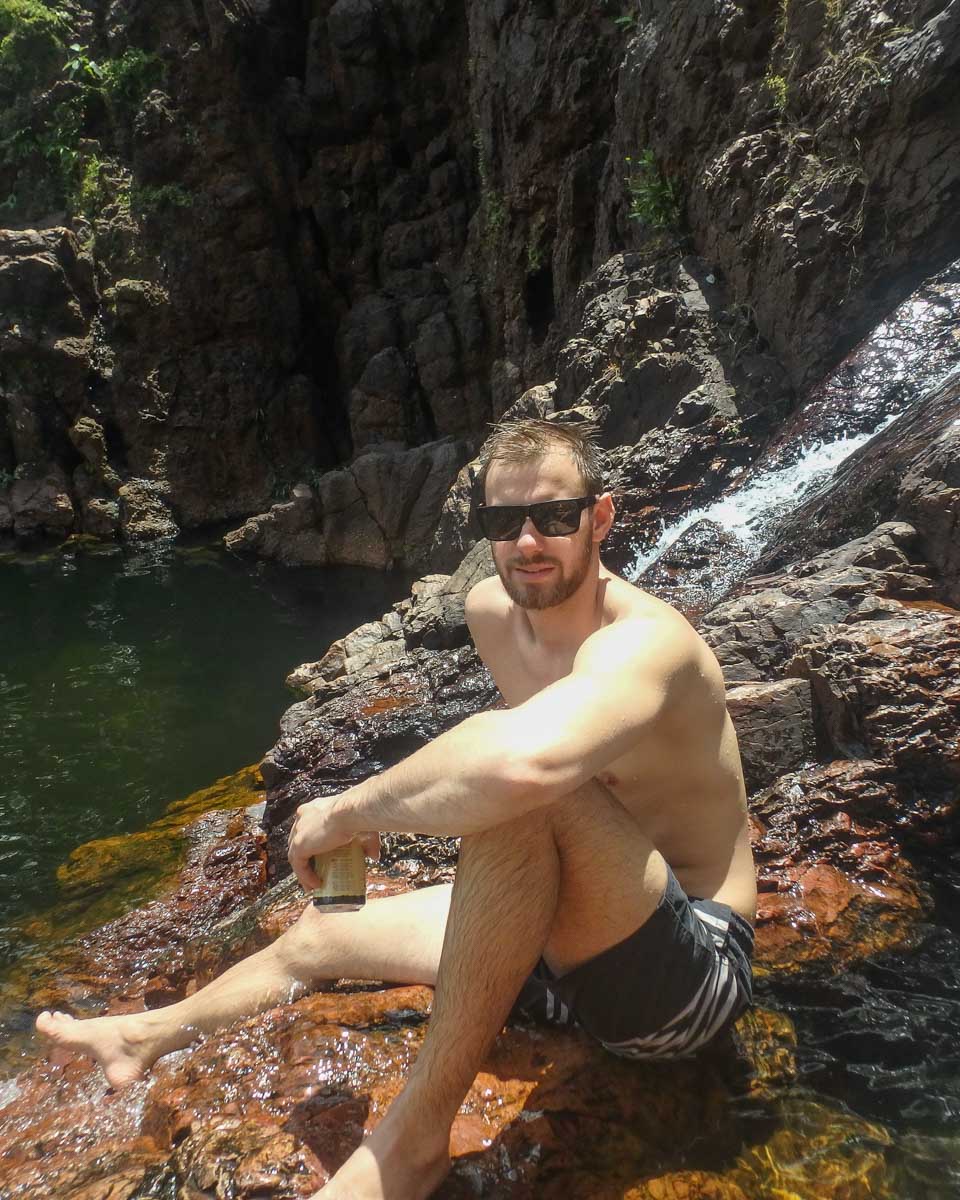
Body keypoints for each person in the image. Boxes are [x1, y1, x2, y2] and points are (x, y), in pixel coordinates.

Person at [36, 418, 757, 1200]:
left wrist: (351, 812)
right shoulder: (490, 613)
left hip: (679, 977)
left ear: (601, 517)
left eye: (554, 516)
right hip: (562, 938)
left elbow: (524, 765)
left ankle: (410, 1149)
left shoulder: (647, 642)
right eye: (502, 522)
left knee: (527, 789)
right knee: (323, 932)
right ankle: (142, 1037)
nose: (528, 543)